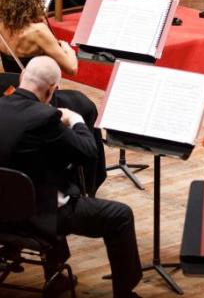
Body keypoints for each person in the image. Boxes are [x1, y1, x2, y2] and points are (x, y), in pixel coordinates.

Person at [0, 56, 142, 297]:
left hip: (2, 210)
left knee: (46, 179)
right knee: (120, 216)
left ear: (22, 78)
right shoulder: (45, 119)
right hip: (34, 217)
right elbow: (87, 152)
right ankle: (125, 294)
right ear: (51, 90)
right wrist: (75, 120)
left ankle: (54, 277)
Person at [0, 0, 106, 193]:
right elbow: (71, 68)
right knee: (85, 106)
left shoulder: (1, 22)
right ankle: (90, 176)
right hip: (41, 97)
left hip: (13, 93)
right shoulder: (37, 31)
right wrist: (67, 48)